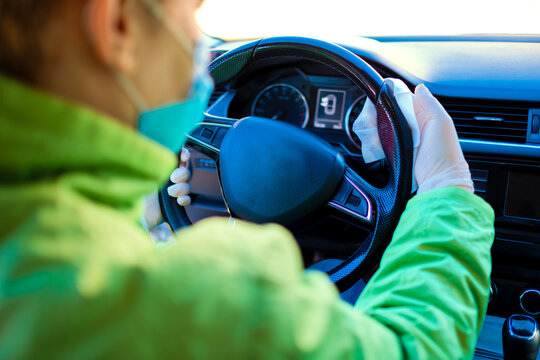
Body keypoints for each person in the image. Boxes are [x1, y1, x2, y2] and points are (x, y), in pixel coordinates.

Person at [0, 0, 494, 359]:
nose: (200, 39)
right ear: (118, 25)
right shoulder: (203, 300)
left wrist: (141, 220)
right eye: (192, 11)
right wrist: (446, 190)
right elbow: (410, 347)